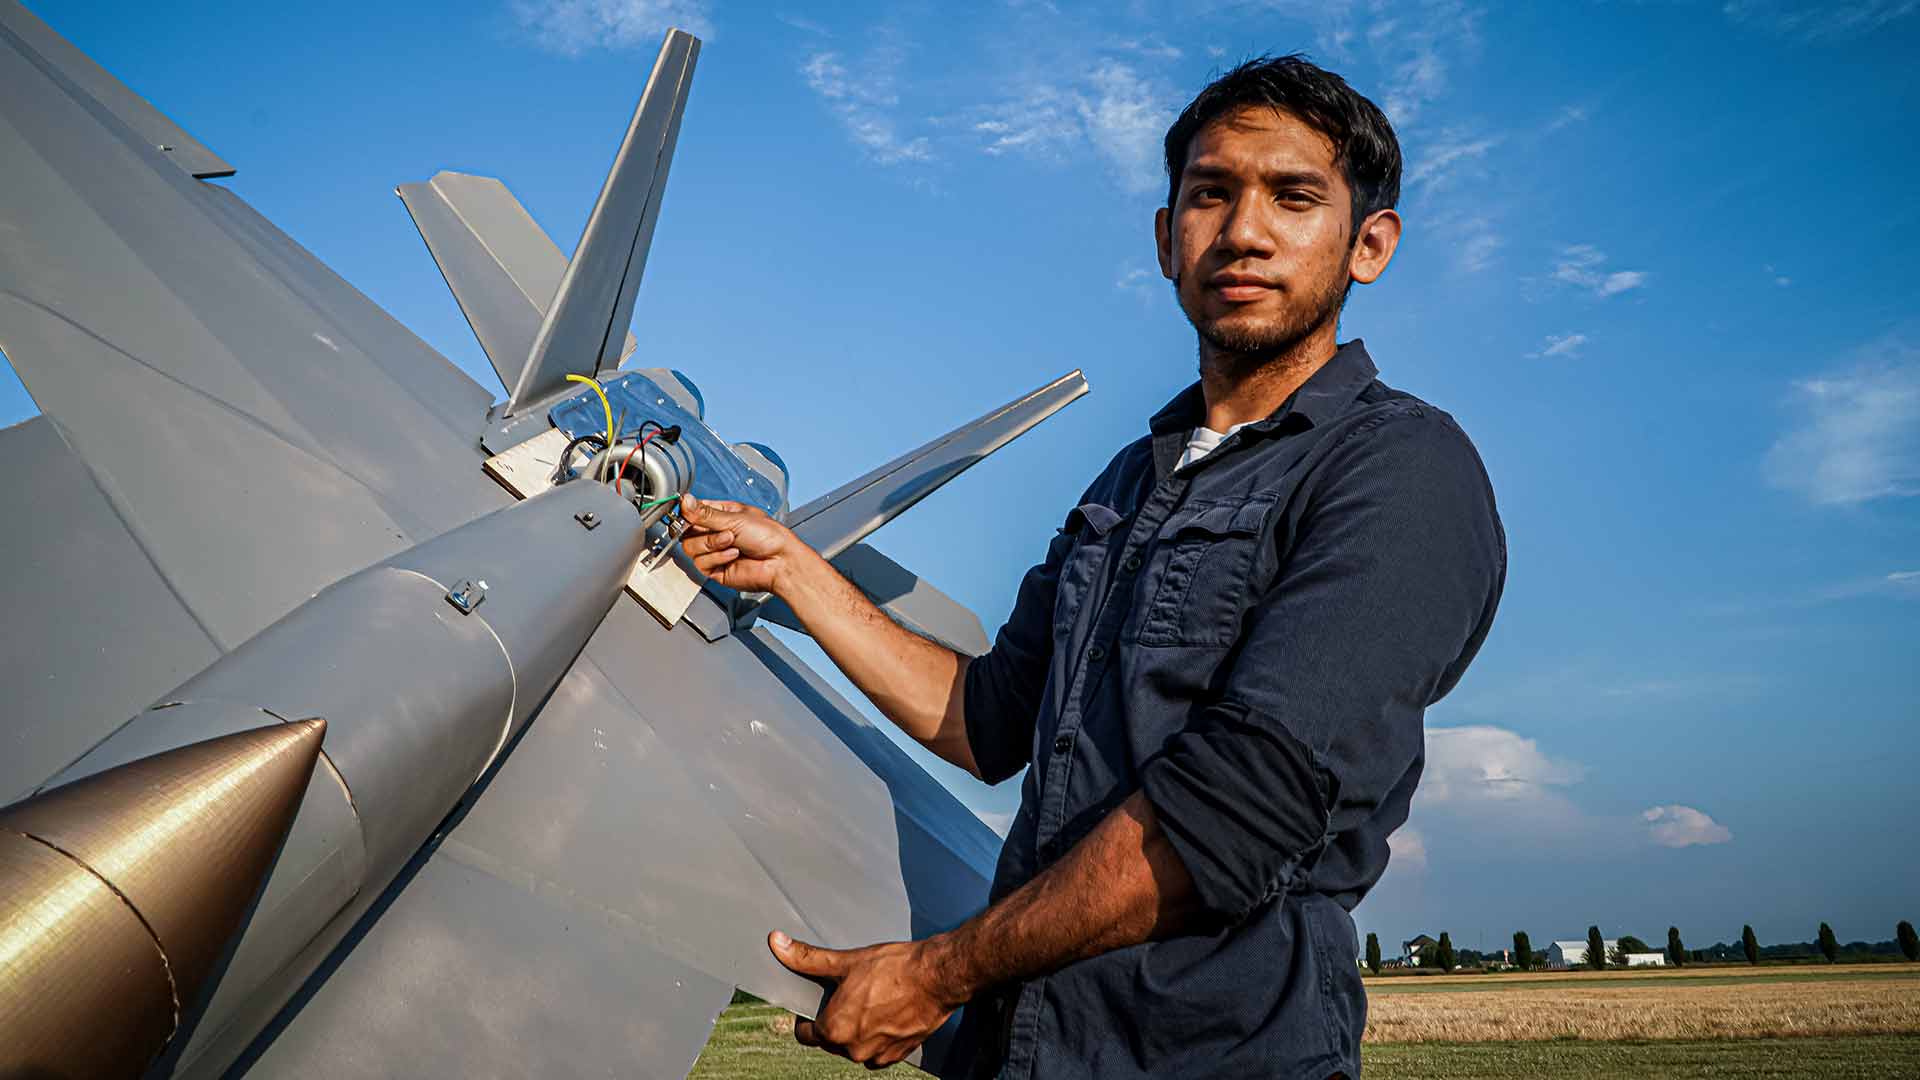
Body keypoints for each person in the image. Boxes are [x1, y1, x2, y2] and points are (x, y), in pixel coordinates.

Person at [676, 54, 1505, 1079]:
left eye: (1295, 198)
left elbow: (1237, 810)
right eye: (1211, 194)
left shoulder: (1400, 469)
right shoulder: (1129, 479)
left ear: (1367, 244)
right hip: (1020, 1051)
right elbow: (987, 723)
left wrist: (937, 976)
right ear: (1167, 240)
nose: (1244, 231)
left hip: (1214, 1056)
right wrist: (797, 571)